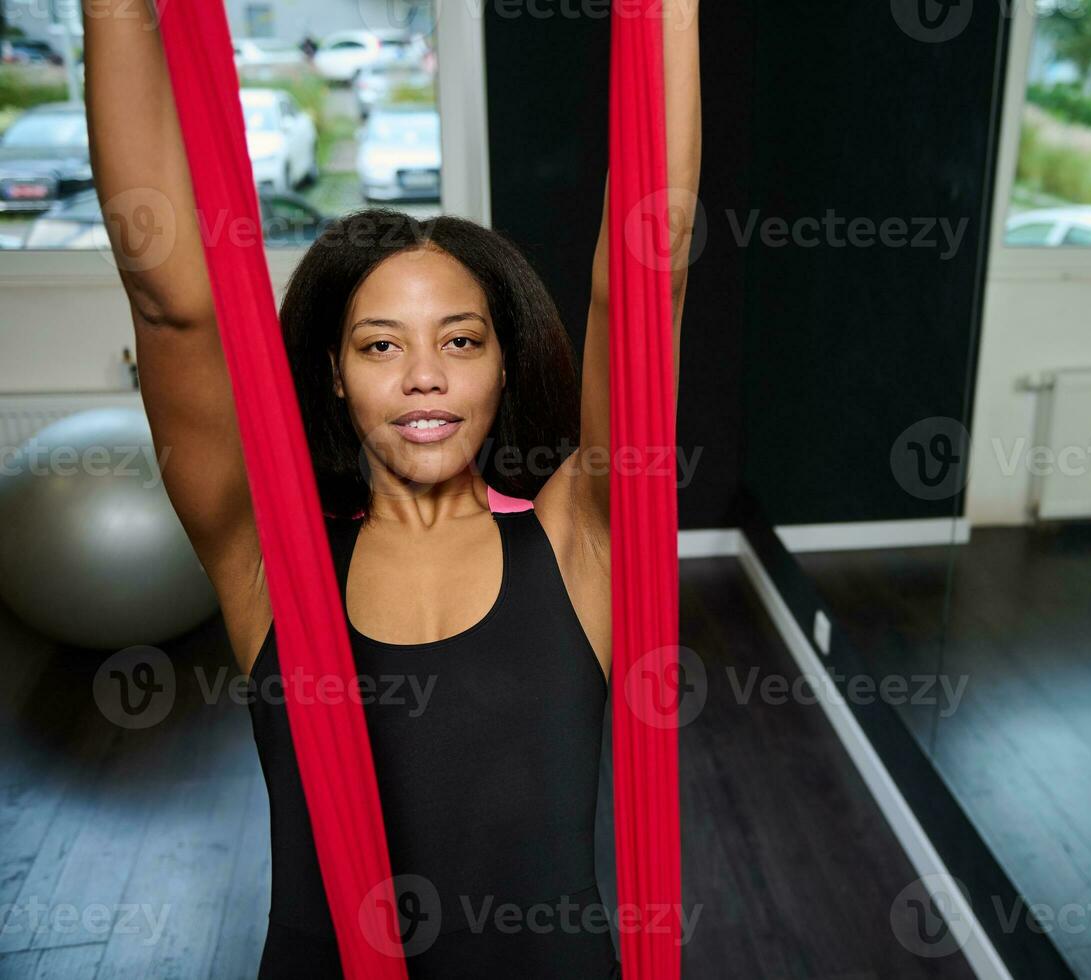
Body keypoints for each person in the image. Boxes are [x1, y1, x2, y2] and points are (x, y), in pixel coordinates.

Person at [79, 0, 701, 976]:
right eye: (381, 345)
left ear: (504, 365)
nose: (425, 376)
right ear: (334, 372)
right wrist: (117, 16)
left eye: (461, 340)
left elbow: (646, 270)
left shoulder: (584, 541)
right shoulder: (269, 563)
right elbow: (170, 306)